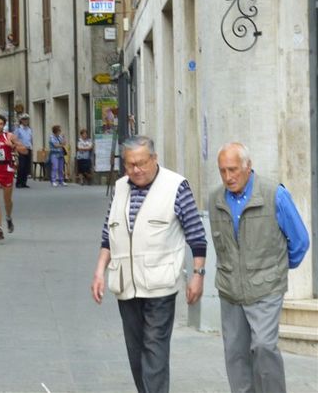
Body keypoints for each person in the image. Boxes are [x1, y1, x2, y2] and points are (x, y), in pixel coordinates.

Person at [91, 135, 207, 393]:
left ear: (154, 159)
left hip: (160, 287)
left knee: (154, 351)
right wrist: (99, 272)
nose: (136, 170)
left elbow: (197, 235)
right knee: (136, 353)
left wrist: (198, 274)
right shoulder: (121, 187)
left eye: (142, 163)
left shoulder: (176, 186)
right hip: (126, 286)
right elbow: (107, 235)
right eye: (130, 165)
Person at [209, 142, 309, 393]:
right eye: (222, 171)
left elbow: (300, 240)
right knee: (235, 354)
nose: (228, 177)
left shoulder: (274, 194)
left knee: (264, 347)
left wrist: (278, 268)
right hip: (230, 290)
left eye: (233, 170)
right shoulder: (215, 199)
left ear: (248, 166)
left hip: (266, 288)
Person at [14, 113, 33, 188]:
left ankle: (24, 182)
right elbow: (15, 139)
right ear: (21, 121)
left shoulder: (29, 129)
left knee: (26, 166)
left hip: (28, 148)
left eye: (27, 119)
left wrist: (31, 146)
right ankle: (18, 182)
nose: (26, 121)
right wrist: (16, 148)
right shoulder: (18, 129)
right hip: (21, 149)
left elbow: (30, 139)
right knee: (21, 166)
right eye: (24, 119)